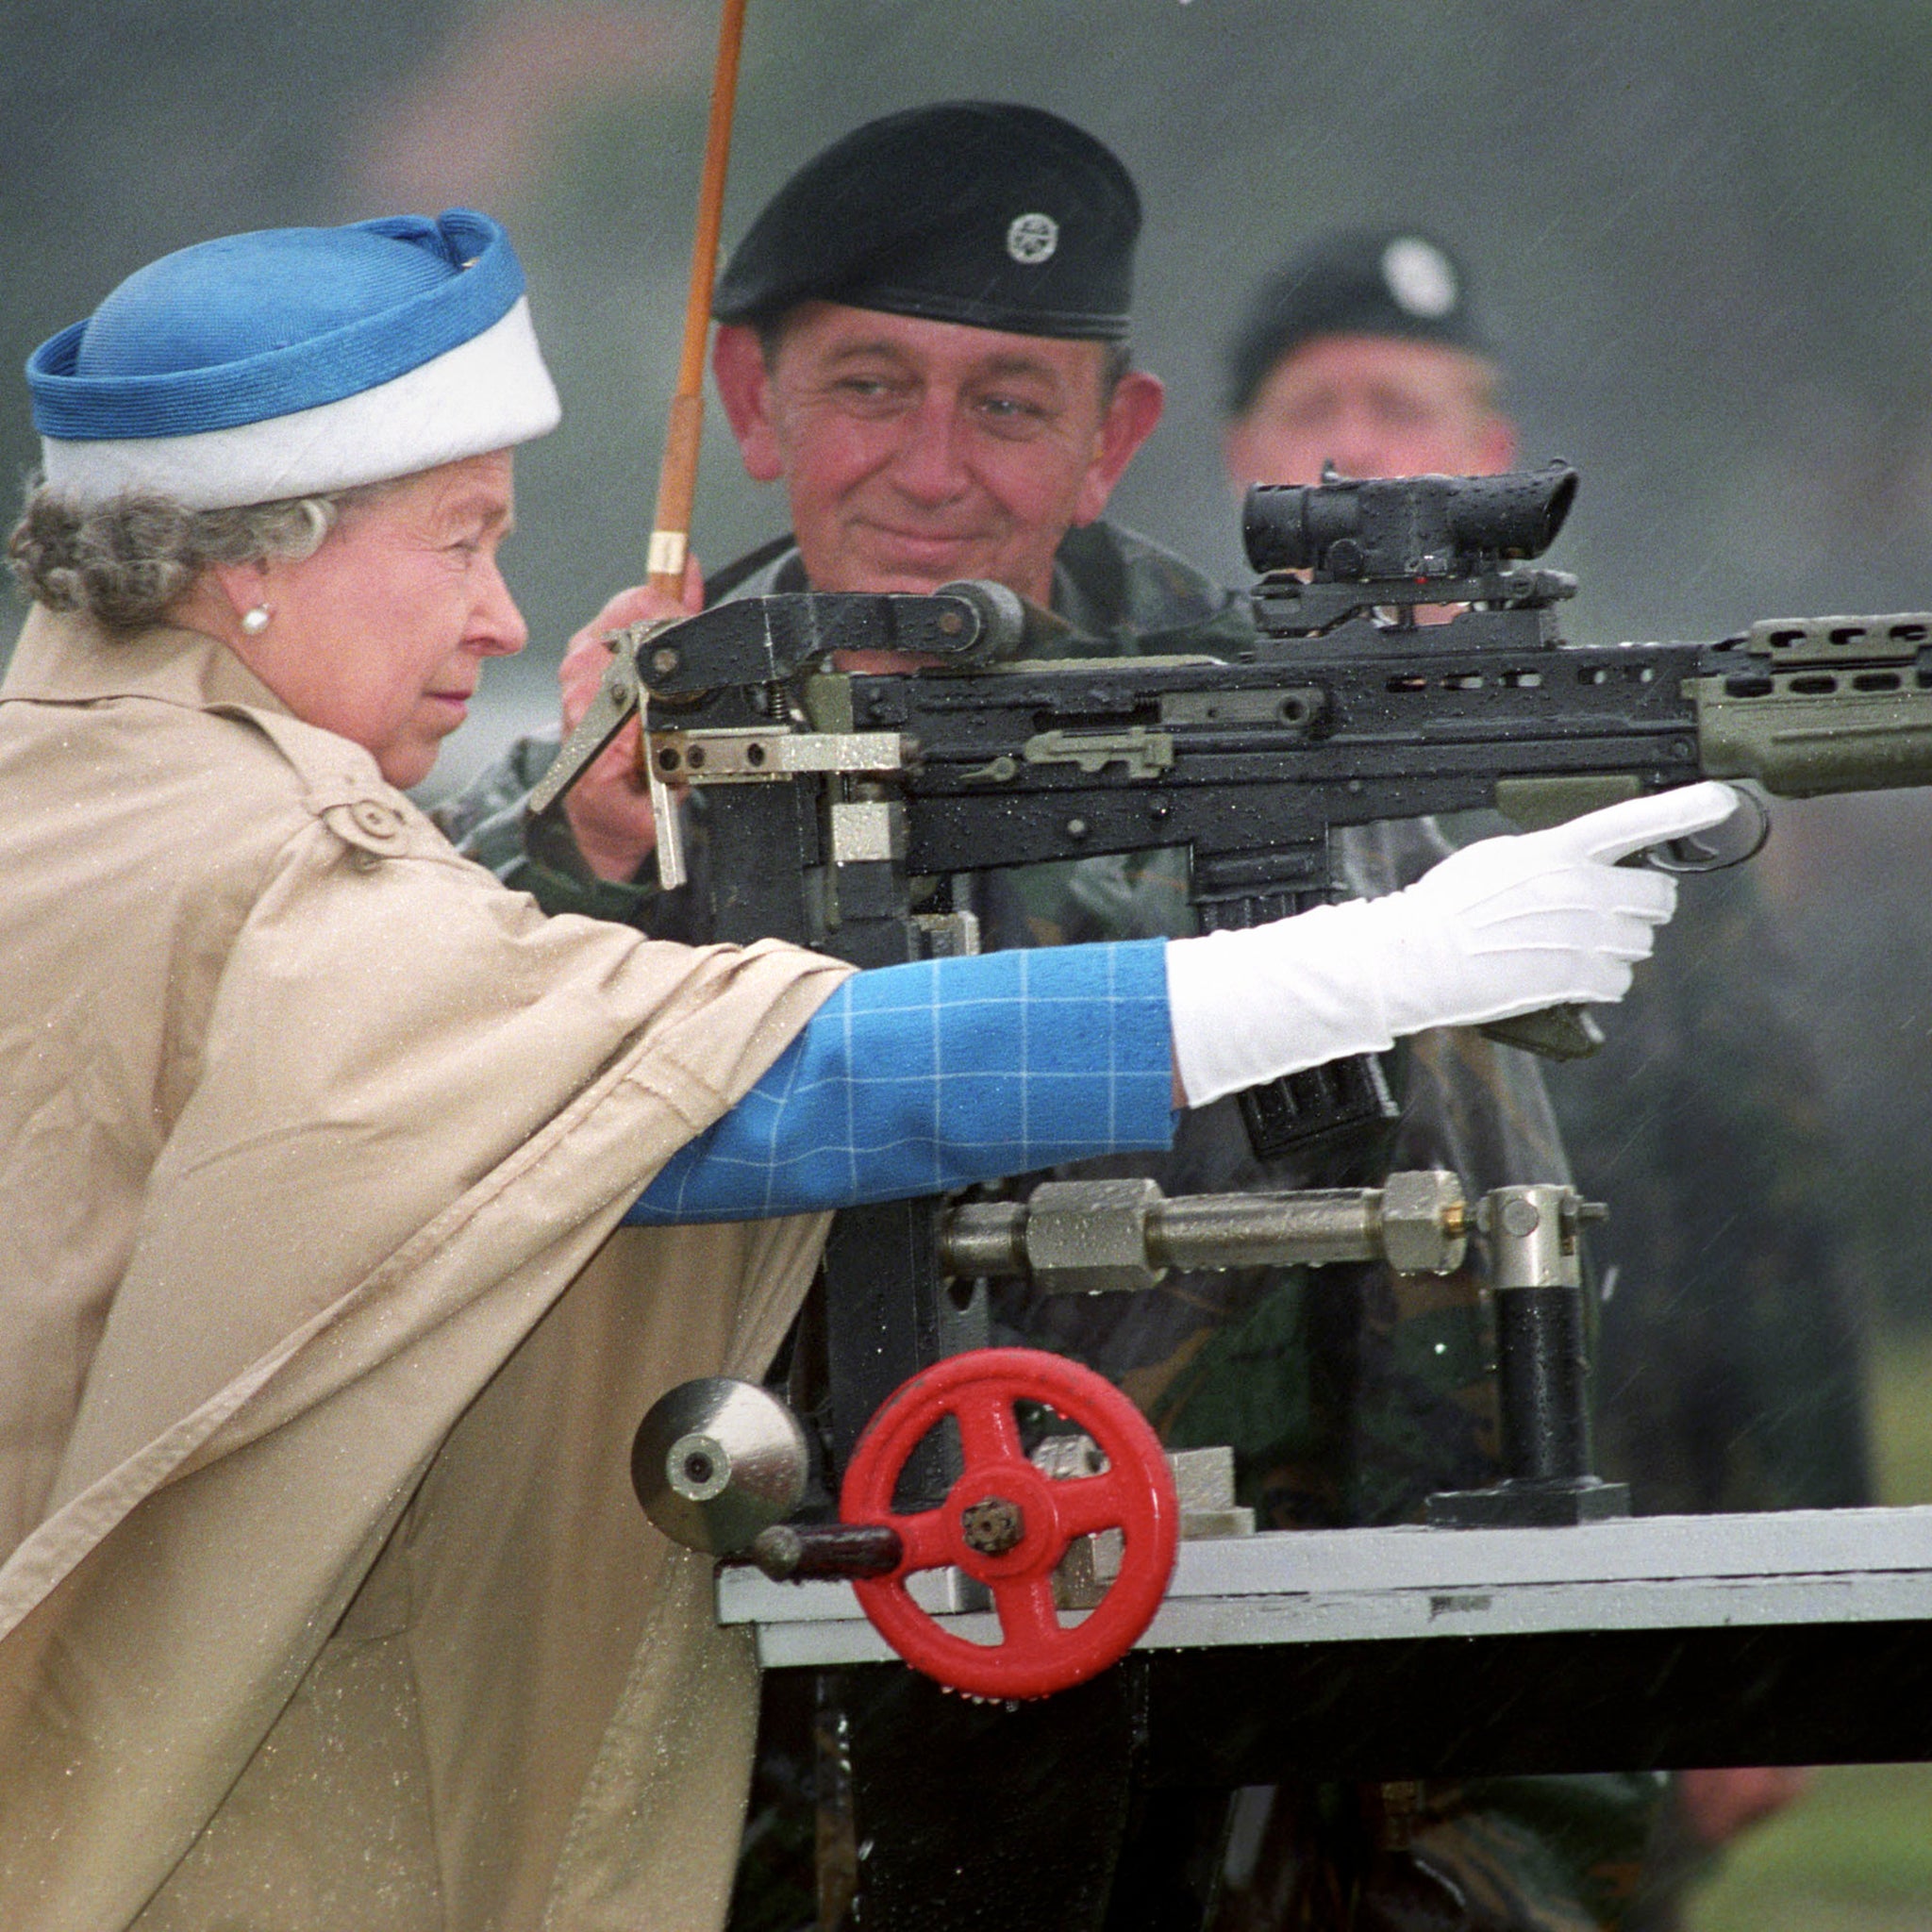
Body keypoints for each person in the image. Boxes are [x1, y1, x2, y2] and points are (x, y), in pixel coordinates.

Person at [0, 208, 1726, 1932]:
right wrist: (1362, 968)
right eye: (458, 541)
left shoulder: (86, 795)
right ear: (260, 560)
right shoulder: (257, 867)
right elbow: (758, 1096)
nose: (501, 611)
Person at [1211, 225, 1857, 1932]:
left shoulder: (1632, 783)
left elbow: (1764, 1220)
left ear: (1495, 459)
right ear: (1240, 463)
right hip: (1265, 1559)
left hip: (1604, 1545)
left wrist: (1784, 1613)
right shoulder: (1189, 746)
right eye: (1315, 404)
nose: (1365, 444)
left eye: (1405, 401)